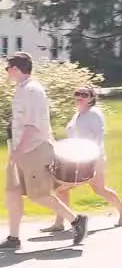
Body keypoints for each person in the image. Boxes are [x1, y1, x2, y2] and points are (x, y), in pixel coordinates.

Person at [3, 52, 88, 249]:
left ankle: (76, 220)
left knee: (38, 194)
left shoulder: (32, 90)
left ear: (15, 69)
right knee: (12, 192)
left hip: (33, 150)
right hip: (19, 150)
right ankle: (13, 238)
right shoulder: (22, 89)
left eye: (8, 69)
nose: (6, 72)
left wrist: (19, 151)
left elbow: (32, 126)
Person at [43, 85, 122, 232]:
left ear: (91, 98)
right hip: (78, 159)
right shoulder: (77, 114)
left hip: (93, 159)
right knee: (62, 189)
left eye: (84, 94)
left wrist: (90, 155)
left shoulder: (93, 114)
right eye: (77, 94)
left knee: (97, 189)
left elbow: (98, 136)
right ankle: (60, 222)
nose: (80, 97)